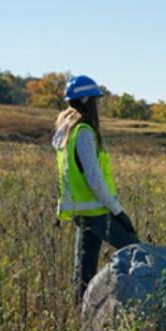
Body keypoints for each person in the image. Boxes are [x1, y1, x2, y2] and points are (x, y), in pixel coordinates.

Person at [53, 75, 139, 304]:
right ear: (86, 101)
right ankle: (133, 305)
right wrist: (118, 211)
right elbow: (94, 178)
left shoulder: (67, 132)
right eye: (95, 101)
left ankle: (79, 315)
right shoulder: (82, 133)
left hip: (82, 212)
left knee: (83, 271)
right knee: (138, 252)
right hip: (97, 212)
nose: (98, 106)